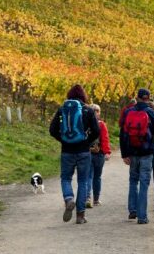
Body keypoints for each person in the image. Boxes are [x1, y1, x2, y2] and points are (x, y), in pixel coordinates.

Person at [49, 85, 100, 224]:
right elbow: (96, 131)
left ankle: (69, 199)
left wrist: (64, 140)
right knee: (83, 181)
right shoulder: (89, 110)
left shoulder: (62, 109)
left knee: (66, 178)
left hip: (67, 151)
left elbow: (52, 130)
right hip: (83, 151)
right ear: (83, 96)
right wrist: (87, 141)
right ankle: (80, 216)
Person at [120, 88, 154, 224]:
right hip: (146, 153)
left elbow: (123, 134)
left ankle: (132, 210)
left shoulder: (129, 112)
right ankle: (142, 216)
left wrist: (124, 154)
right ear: (148, 98)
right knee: (144, 183)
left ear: (137, 97)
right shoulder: (151, 112)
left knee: (133, 181)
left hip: (132, 152)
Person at [86, 104, 111, 208]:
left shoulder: (85, 124)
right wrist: (107, 152)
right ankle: (96, 200)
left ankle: (87, 198)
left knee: (88, 176)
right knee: (97, 177)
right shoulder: (101, 124)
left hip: (87, 153)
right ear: (98, 113)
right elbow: (105, 139)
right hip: (99, 154)